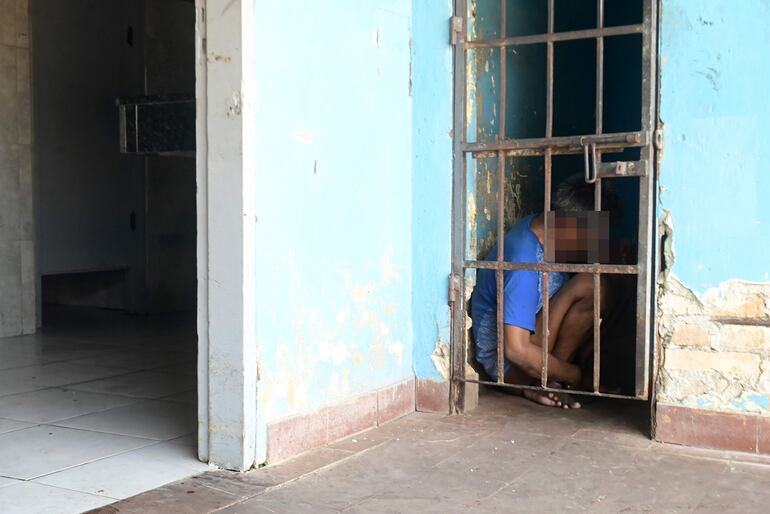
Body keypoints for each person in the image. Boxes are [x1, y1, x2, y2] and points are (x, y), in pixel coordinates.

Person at [470, 174, 620, 409]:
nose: (594, 246)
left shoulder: (543, 226)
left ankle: (549, 381)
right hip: (508, 364)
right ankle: (552, 381)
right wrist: (575, 375)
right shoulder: (523, 260)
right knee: (590, 285)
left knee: (604, 283)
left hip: (534, 337)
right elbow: (516, 350)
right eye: (592, 238)